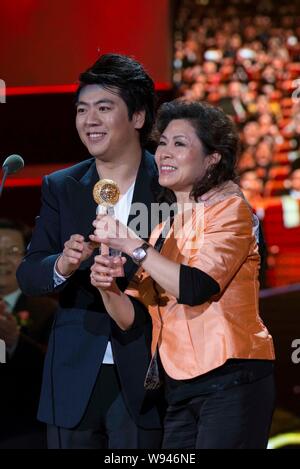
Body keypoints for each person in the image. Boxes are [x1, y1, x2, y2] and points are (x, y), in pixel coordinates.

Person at [90, 100, 276, 449]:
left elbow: (196, 287)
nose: (164, 152)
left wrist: (133, 244)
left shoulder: (230, 211)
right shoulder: (162, 230)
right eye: (162, 142)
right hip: (178, 388)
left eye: (180, 143)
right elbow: (133, 318)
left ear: (212, 158)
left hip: (232, 379)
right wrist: (107, 286)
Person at [16, 54, 164, 449]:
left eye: (104, 108)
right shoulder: (61, 186)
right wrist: (62, 264)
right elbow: (29, 273)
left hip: (150, 371)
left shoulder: (170, 187)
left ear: (137, 117)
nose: (89, 120)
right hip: (73, 371)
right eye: (82, 110)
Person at [0, 218, 57, 448]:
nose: (2, 259)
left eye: (12, 251)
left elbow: (53, 372)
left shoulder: (47, 311)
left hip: (23, 430)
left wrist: (15, 342)